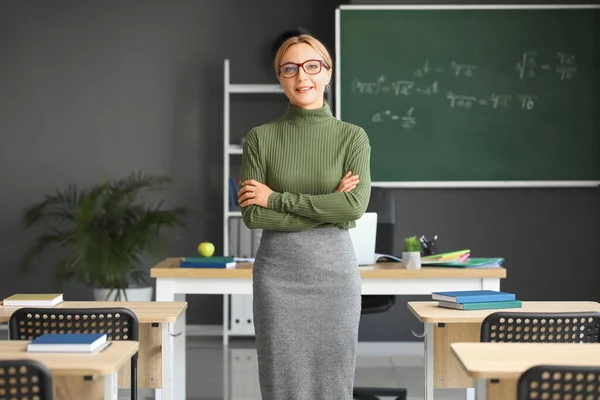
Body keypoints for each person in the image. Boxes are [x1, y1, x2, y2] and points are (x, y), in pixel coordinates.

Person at [237, 34, 371, 400]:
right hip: (278, 277)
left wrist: (276, 199)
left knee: (334, 383)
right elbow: (252, 214)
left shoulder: (352, 138)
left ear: (328, 73)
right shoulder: (259, 139)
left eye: (313, 66)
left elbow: (354, 207)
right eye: (290, 69)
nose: (302, 77)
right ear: (279, 77)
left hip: (335, 277)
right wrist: (330, 209)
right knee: (281, 384)